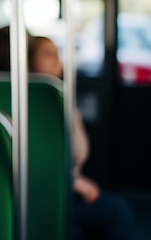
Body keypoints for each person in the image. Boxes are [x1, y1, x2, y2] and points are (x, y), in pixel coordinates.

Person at [28, 36, 136, 240]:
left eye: (57, 55)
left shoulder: (58, 97)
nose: (57, 62)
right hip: (49, 189)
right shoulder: (35, 102)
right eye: (48, 55)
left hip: (62, 184)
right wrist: (73, 182)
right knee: (119, 211)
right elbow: (34, 159)